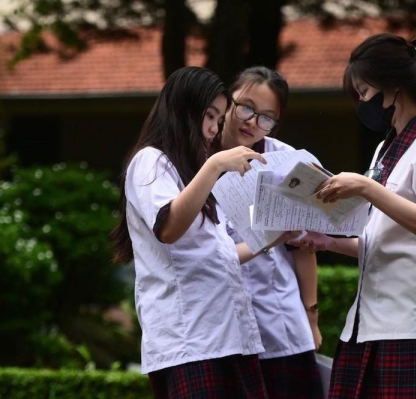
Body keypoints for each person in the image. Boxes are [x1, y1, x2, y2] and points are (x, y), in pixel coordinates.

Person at [291, 34, 416, 398]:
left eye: (365, 90)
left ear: (394, 87)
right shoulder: (388, 146)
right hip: (367, 325)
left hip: (413, 327)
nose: (363, 102)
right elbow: (383, 240)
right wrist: (327, 242)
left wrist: (367, 188)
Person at [110, 66, 293, 398]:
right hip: (190, 343)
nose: (213, 128)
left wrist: (274, 236)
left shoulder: (191, 170)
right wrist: (215, 164)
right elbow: (168, 228)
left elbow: (220, 256)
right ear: (182, 110)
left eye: (219, 119)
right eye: (210, 117)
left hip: (229, 338)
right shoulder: (150, 161)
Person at [213, 66, 324, 399]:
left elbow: (303, 248)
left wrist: (311, 316)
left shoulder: (288, 161)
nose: (252, 122)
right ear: (227, 101)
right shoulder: (197, 157)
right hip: (219, 329)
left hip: (281, 323)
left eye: (266, 117)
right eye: (245, 107)